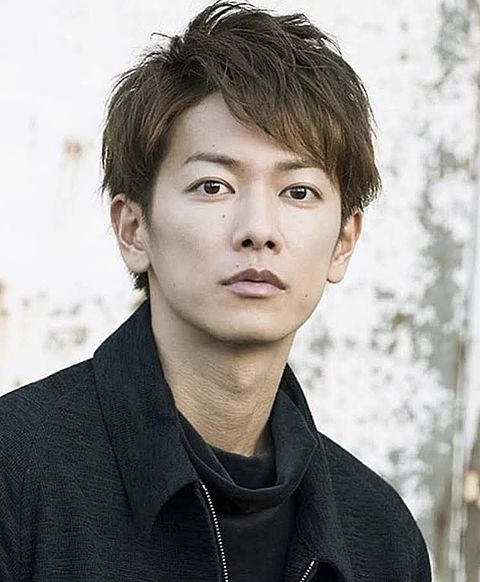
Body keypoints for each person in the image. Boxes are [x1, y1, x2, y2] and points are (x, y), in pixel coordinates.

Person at [0, 1, 432, 580]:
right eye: (213, 185)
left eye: (298, 191)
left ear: (343, 242)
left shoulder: (381, 535)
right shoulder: (17, 471)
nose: (258, 229)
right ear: (133, 229)